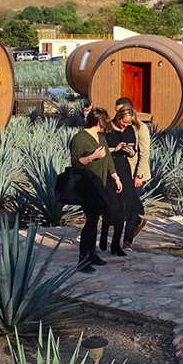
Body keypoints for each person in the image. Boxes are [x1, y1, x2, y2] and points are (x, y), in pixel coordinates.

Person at [69, 107, 123, 272]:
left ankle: (91, 253)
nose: (107, 124)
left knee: (94, 220)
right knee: (91, 221)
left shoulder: (101, 138)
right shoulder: (80, 139)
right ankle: (83, 258)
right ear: (100, 121)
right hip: (87, 185)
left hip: (101, 185)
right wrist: (92, 157)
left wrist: (115, 177)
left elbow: (108, 159)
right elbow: (76, 163)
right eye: (105, 121)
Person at [102, 106, 145, 255]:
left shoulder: (129, 130)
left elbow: (134, 153)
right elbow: (100, 149)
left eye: (128, 123)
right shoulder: (107, 128)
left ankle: (118, 243)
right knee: (109, 203)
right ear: (118, 117)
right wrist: (115, 148)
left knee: (125, 205)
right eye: (124, 123)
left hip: (123, 169)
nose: (125, 126)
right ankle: (104, 236)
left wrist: (131, 151)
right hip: (109, 168)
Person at [114, 97, 151, 244]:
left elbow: (144, 154)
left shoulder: (141, 128)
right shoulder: (117, 126)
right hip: (121, 172)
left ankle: (127, 241)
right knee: (121, 205)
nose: (116, 114)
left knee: (130, 206)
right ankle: (138, 221)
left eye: (119, 111)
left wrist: (139, 175)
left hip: (136, 173)